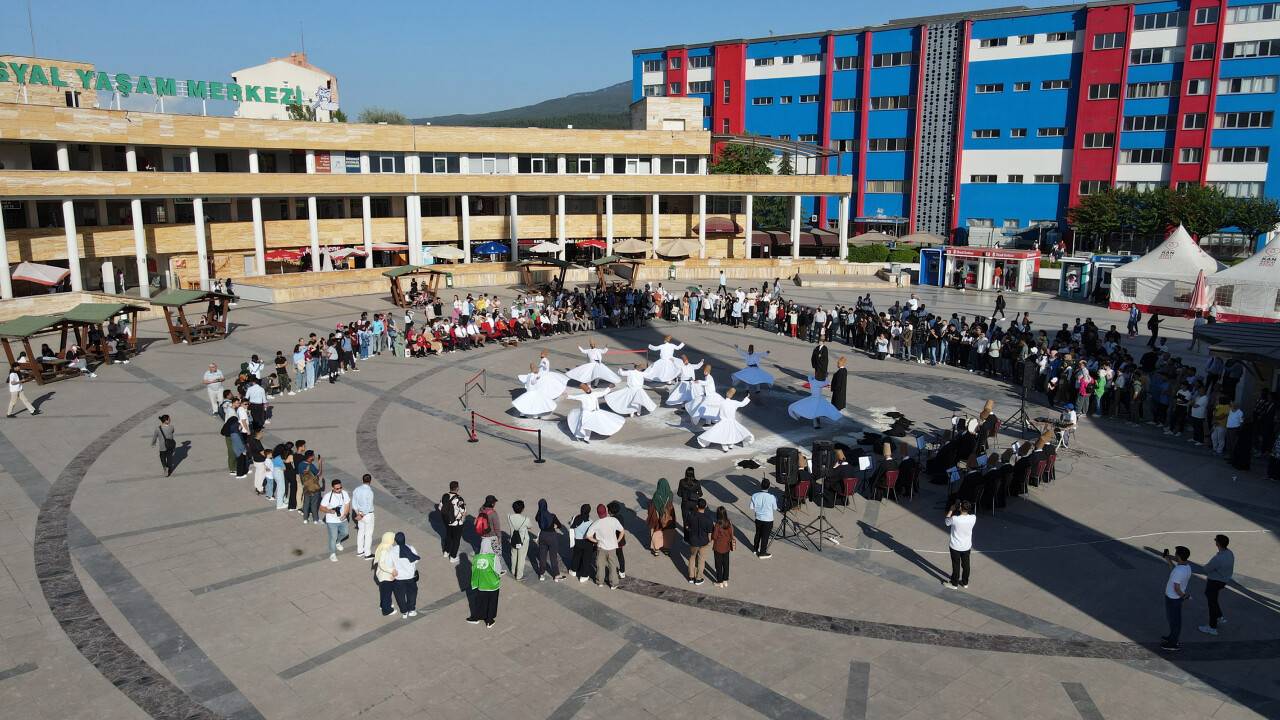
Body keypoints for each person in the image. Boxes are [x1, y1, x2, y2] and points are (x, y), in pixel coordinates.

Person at [697, 388, 754, 452]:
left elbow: (712, 404)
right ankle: (730, 445)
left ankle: (725, 447)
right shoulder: (734, 402)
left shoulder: (722, 402)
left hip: (723, 422)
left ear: (726, 394)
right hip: (732, 421)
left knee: (723, 434)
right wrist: (747, 397)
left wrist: (706, 399)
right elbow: (742, 404)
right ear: (732, 396)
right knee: (731, 433)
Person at [1198, 535, 1234, 636]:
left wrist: (1206, 567)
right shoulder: (1229, 553)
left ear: (1218, 543)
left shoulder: (1218, 558)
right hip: (1223, 580)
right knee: (1213, 599)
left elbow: (1207, 569)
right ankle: (1219, 616)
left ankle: (1212, 627)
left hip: (1214, 581)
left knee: (1211, 603)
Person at [1161, 546, 1192, 650]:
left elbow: (1176, 587)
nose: (1174, 555)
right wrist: (1168, 558)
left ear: (1178, 556)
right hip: (1175, 598)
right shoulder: (1186, 567)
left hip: (1173, 599)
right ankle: (1172, 637)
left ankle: (1173, 643)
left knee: (1174, 621)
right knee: (1173, 620)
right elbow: (1173, 570)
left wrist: (1184, 596)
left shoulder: (1179, 571)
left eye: (1175, 554)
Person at [587, 503, 625, 588]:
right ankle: (613, 584)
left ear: (598, 513)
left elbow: (588, 536)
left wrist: (596, 541)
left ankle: (600, 581)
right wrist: (617, 540)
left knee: (600, 565)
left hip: (601, 547)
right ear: (606, 511)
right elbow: (622, 531)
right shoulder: (613, 520)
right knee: (612, 566)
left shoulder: (596, 523)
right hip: (612, 548)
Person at [944, 500, 976, 589]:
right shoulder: (973, 518)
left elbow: (947, 522)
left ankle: (954, 583)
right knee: (966, 565)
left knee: (956, 565)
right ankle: (965, 582)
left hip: (955, 546)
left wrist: (951, 510)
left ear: (960, 508)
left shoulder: (955, 519)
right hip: (966, 546)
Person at [466, 550, 501, 628]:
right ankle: (489, 621)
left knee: (480, 602)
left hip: (481, 584)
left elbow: (474, 570)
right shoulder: (493, 557)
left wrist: (474, 582)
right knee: (492, 602)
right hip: (492, 585)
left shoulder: (476, 557)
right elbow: (498, 570)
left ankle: (476, 617)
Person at [534, 499, 567, 581]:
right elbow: (559, 525)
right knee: (553, 557)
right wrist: (555, 526)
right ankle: (556, 575)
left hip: (542, 535)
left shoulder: (538, 516)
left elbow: (539, 520)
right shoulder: (552, 516)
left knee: (542, 556)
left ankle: (541, 574)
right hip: (552, 536)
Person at [319, 478, 350, 562]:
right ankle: (332, 553)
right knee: (333, 537)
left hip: (342, 519)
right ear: (332, 488)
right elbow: (321, 508)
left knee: (345, 533)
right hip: (331, 521)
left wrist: (345, 514)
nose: (339, 490)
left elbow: (347, 505)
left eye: (340, 488)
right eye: (337, 488)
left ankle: (338, 542)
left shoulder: (344, 493)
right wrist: (329, 511)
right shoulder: (328, 496)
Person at [686, 499, 714, 585]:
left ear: (697, 506)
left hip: (693, 541)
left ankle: (691, 577)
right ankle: (698, 579)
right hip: (704, 542)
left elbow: (687, 526)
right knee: (701, 560)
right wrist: (710, 541)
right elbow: (710, 533)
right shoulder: (708, 519)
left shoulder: (691, 515)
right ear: (705, 506)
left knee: (692, 557)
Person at [646, 478, 677, 556]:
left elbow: (653, 506)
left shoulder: (656, 495)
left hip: (657, 517)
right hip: (668, 516)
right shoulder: (670, 494)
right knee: (668, 532)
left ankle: (656, 550)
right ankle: (666, 549)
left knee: (657, 532)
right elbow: (670, 504)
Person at [392, 532, 420, 618]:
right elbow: (416, 560)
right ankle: (411, 610)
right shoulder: (411, 548)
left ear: (395, 540)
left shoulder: (392, 550)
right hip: (410, 577)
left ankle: (404, 612)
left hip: (398, 578)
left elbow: (390, 563)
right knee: (412, 593)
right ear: (404, 539)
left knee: (400, 595)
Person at [750, 478, 778, 558]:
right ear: (769, 487)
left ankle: (755, 549)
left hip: (758, 518)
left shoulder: (754, 495)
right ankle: (762, 552)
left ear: (761, 486)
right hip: (768, 519)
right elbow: (775, 508)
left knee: (758, 534)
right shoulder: (772, 497)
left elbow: (751, 507)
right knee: (765, 536)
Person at [475, 495, 504, 573]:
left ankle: (487, 569)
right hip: (493, 537)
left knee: (485, 554)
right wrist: (499, 537)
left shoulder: (481, 510)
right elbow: (497, 527)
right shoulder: (493, 513)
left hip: (483, 536)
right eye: (494, 502)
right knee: (497, 555)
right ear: (492, 504)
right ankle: (497, 571)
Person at [439, 481, 465, 563]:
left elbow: (440, 508)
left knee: (448, 536)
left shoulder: (445, 496)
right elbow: (463, 511)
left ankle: (446, 552)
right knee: (456, 540)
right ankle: (453, 556)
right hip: (457, 523)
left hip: (447, 521)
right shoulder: (459, 499)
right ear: (457, 488)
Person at [373, 532, 398, 617]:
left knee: (384, 592)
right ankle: (387, 610)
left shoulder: (386, 546)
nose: (394, 540)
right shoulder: (385, 549)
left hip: (385, 575)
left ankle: (383, 605)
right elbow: (382, 564)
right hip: (385, 576)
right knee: (387, 593)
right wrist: (392, 571)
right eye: (392, 538)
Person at [507, 500, 533, 581]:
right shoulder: (526, 519)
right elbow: (530, 526)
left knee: (513, 555)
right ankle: (519, 576)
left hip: (513, 539)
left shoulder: (509, 517)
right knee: (521, 558)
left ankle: (513, 570)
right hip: (523, 541)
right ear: (522, 509)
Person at [711, 506, 736, 588]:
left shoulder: (718, 524)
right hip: (727, 546)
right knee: (726, 563)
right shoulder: (729, 523)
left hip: (718, 547)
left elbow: (714, 536)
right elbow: (732, 534)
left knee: (718, 564)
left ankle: (720, 581)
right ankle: (725, 580)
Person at [352, 473, 376, 558]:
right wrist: (362, 514)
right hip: (367, 515)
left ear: (362, 480)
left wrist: (357, 513)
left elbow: (354, 503)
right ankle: (367, 553)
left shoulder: (356, 489)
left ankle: (360, 551)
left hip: (359, 514)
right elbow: (368, 506)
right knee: (368, 534)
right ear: (370, 481)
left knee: (361, 532)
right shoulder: (369, 492)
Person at [569, 504, 595, 581]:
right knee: (586, 559)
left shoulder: (575, 518)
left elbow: (572, 525)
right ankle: (584, 576)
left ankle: (573, 570)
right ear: (589, 512)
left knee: (576, 556)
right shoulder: (591, 522)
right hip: (587, 542)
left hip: (577, 541)